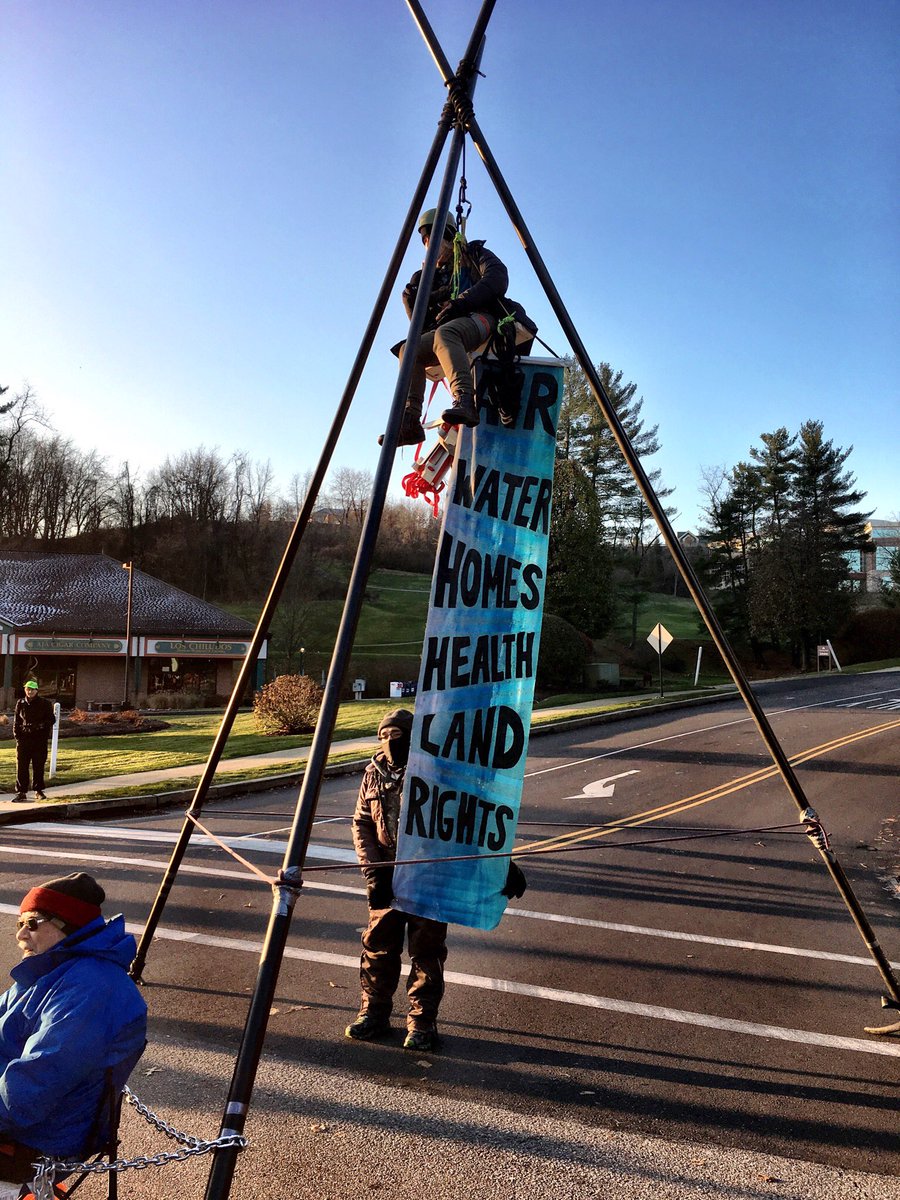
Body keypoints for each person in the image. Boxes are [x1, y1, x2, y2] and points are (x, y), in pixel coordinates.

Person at [345, 708, 527, 1054]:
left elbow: (468, 822)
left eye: (397, 735)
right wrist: (373, 871)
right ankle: (374, 1013)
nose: (389, 743)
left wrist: (500, 864)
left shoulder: (438, 772)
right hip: (389, 875)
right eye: (383, 736)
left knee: (426, 954)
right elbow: (362, 823)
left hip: (431, 877)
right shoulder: (373, 773)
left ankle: (422, 1023)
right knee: (378, 947)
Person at [0, 872, 147, 1188]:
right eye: (20, 924)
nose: (21, 935)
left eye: (33, 923)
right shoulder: (49, 971)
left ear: (68, 926)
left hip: (37, 1140)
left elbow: (33, 1086)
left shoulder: (90, 988)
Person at [386, 209, 537, 447]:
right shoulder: (429, 277)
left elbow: (497, 278)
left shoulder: (474, 255)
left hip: (482, 318)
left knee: (446, 333)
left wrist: (462, 302)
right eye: (426, 241)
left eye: (433, 239)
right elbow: (423, 325)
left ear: (447, 236)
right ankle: (410, 420)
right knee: (409, 349)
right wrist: (413, 299)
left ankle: (465, 399)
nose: (430, 245)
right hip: (447, 332)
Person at [12, 680, 56, 801]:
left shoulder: (45, 703)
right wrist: (17, 736)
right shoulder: (20, 703)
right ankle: (21, 792)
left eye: (32, 689)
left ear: (37, 690)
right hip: (24, 739)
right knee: (21, 766)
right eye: (27, 689)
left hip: (39, 739)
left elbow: (51, 719)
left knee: (38, 765)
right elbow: (17, 721)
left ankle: (38, 790)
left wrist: (40, 726)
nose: (29, 691)